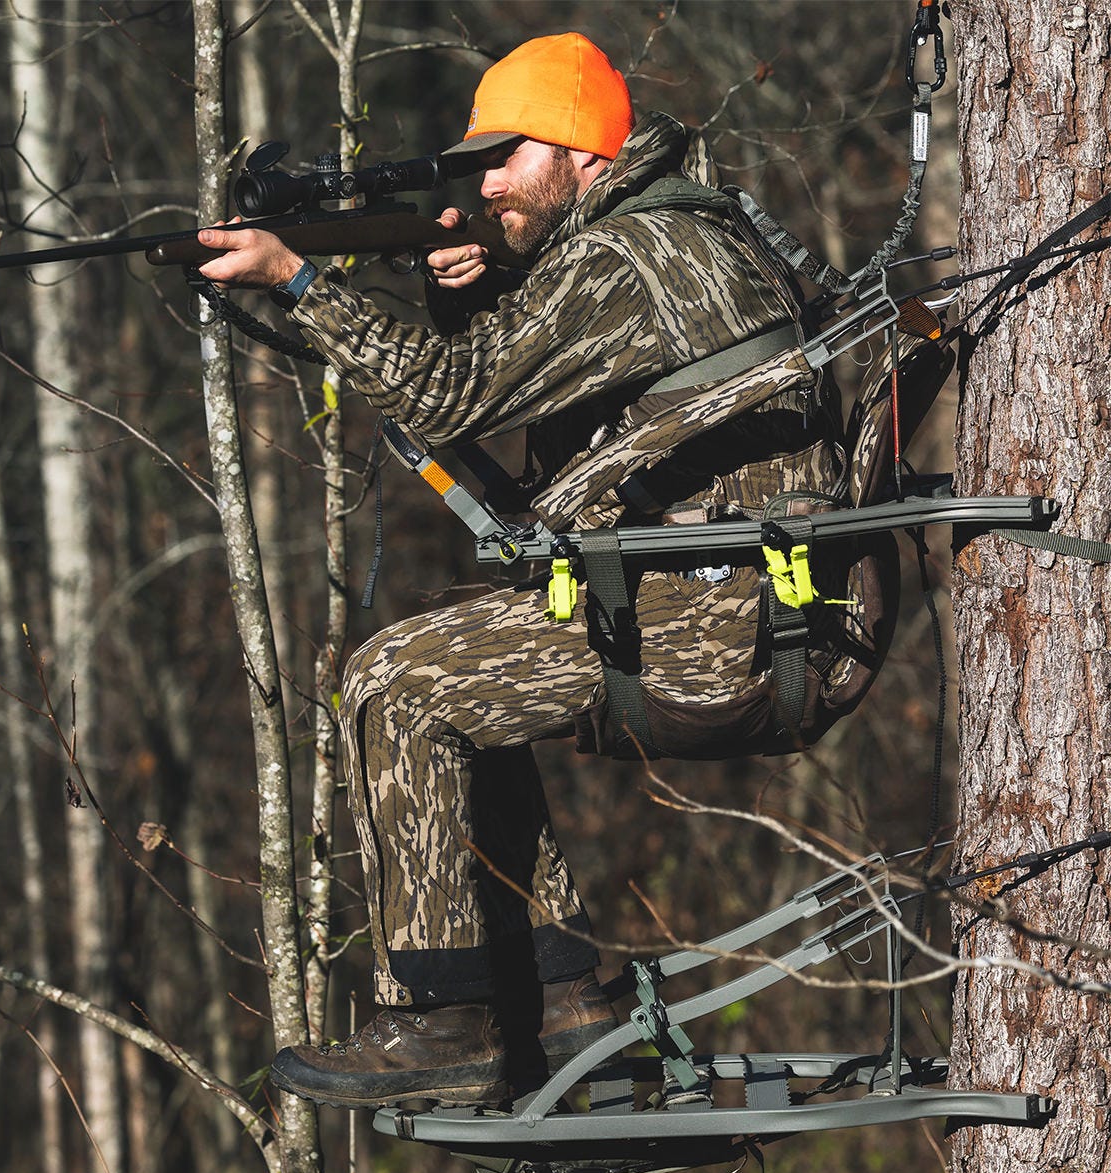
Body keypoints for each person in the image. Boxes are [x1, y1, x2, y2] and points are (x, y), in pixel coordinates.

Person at [197, 32, 839, 1108]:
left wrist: (299, 280)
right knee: (459, 666)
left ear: (585, 153)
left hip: (716, 617)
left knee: (399, 681)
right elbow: (519, 372)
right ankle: (567, 992)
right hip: (730, 601)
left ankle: (446, 1019)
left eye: (509, 155)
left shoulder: (630, 255)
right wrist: (461, 287)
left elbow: (453, 396)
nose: (486, 181)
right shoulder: (666, 234)